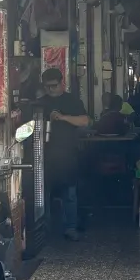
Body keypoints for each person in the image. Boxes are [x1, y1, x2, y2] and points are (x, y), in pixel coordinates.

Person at [39, 68, 89, 241]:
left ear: (62, 83)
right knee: (43, 193)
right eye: (47, 87)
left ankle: (71, 227)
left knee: (70, 192)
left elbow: (84, 121)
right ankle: (44, 230)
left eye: (53, 86)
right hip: (44, 155)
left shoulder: (72, 101)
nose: (51, 90)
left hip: (67, 153)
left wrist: (63, 117)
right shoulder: (40, 103)